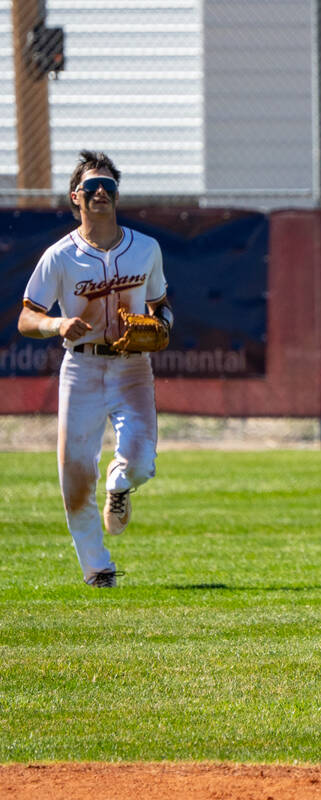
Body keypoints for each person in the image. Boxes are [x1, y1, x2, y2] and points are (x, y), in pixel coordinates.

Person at [18, 150, 172, 588]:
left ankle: (120, 484)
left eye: (108, 186)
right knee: (74, 474)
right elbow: (26, 318)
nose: (100, 192)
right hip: (81, 369)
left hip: (132, 368)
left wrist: (162, 327)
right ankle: (98, 569)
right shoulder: (61, 256)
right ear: (76, 197)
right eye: (91, 186)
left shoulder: (145, 248)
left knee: (141, 463)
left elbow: (162, 306)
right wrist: (56, 323)